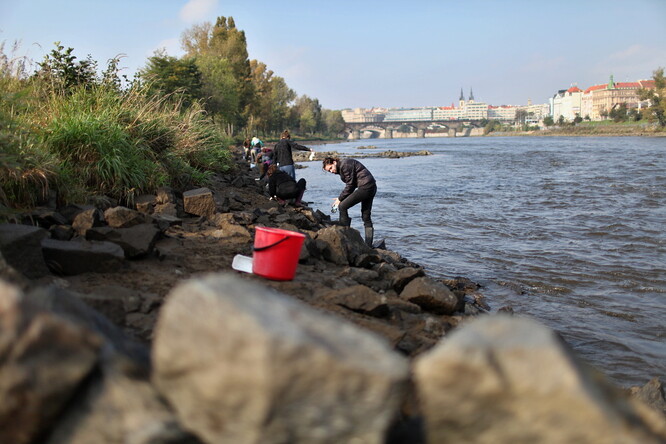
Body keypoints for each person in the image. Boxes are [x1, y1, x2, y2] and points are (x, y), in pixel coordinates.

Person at [322, 156, 377, 247]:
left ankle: (344, 233)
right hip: (371, 186)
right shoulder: (342, 168)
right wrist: (340, 198)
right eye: (329, 171)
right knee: (366, 216)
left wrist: (340, 199)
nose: (331, 171)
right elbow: (352, 185)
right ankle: (368, 245)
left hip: (365, 187)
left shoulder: (345, 164)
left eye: (331, 168)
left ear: (334, 162)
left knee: (342, 206)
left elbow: (350, 186)